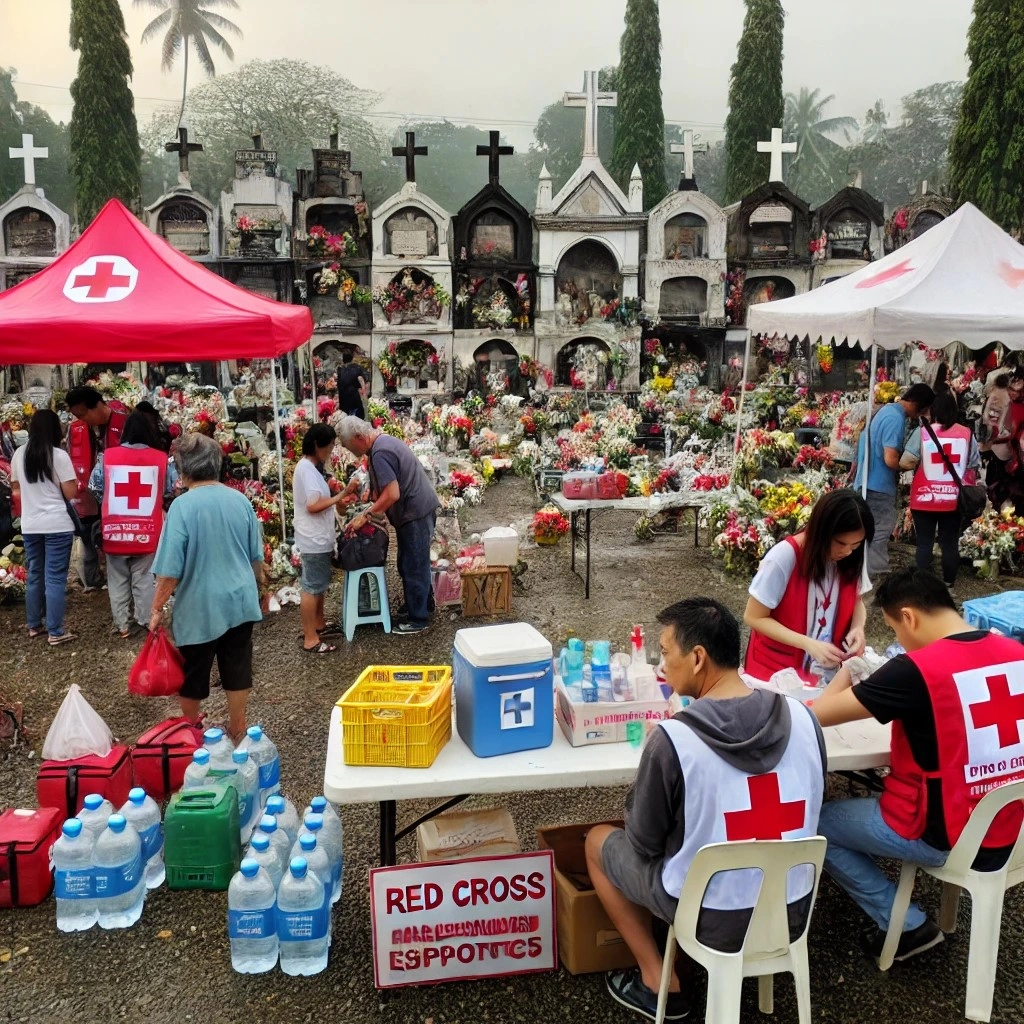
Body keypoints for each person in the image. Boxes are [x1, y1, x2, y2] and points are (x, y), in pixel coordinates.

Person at [584, 599, 825, 1021]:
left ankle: (658, 979)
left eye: (665, 652)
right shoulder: (804, 718)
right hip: (792, 907)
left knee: (596, 842)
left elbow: (643, 842)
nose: (661, 667)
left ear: (698, 658)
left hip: (709, 917)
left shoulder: (674, 740)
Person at [812, 568, 1024, 963]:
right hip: (1012, 827)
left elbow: (816, 713)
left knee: (820, 823)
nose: (898, 640)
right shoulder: (1017, 654)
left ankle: (907, 926)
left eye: (895, 629)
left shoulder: (915, 671)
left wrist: (848, 670)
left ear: (908, 616)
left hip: (946, 834)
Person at [149, 433, 266, 742]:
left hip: (199, 605)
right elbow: (256, 557)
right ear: (217, 465)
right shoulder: (239, 500)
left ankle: (191, 731)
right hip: (240, 599)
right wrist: (260, 589)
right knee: (237, 665)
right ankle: (238, 727)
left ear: (184, 470)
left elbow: (170, 569)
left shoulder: (182, 508)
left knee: (193, 674)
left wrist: (157, 607)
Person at [744, 489, 874, 684]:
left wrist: (857, 628)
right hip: (778, 675)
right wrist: (808, 644)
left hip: (827, 676)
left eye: (856, 544)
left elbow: (857, 601)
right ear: (821, 531)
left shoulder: (851, 558)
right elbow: (754, 616)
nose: (847, 551)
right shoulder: (783, 557)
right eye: (840, 542)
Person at [337, 416, 439, 635]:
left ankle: (418, 619)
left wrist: (366, 515)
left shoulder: (381, 452)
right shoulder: (380, 446)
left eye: (347, 445)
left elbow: (392, 493)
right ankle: (421, 604)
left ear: (358, 437)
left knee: (414, 564)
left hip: (415, 511)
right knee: (409, 561)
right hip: (415, 510)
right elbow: (383, 491)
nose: (348, 450)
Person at [87, 411, 177, 639]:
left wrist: (107, 503)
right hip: (148, 529)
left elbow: (95, 487)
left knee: (117, 579)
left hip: (114, 529)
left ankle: (123, 625)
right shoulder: (160, 459)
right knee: (145, 577)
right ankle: (147, 621)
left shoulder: (106, 457)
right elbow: (170, 489)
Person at [9, 410, 78, 645]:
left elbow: (16, 488)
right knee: (55, 578)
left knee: (35, 574)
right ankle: (56, 631)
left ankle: (34, 625)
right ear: (54, 429)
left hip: (31, 524)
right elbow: (70, 493)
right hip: (57, 523)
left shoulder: (18, 454)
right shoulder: (58, 456)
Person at [900, 391, 981, 588]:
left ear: (933, 411)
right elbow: (973, 465)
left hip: (924, 497)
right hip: (953, 500)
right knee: (950, 543)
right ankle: (949, 582)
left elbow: (906, 461)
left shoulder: (923, 432)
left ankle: (921, 583)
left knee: (925, 542)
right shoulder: (966, 433)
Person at [854, 383, 934, 577]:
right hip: (878, 485)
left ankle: (865, 571)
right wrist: (906, 465)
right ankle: (876, 574)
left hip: (869, 481)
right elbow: (890, 458)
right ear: (920, 405)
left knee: (869, 529)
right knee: (880, 530)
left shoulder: (886, 410)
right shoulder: (895, 418)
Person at [292, 422, 358, 654]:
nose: (330, 451)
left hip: (318, 535)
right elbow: (313, 505)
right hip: (312, 537)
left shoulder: (311, 468)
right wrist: (342, 494)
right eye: (329, 447)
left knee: (319, 584)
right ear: (317, 446)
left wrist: (338, 501)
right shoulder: (307, 470)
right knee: (311, 586)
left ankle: (318, 625)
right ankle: (310, 637)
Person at [65, 385, 128, 591]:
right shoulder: (80, 429)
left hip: (122, 496)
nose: (81, 420)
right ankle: (98, 577)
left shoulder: (125, 423)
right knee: (91, 535)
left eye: (83, 414)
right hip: (93, 497)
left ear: (97, 406)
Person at [336, 351, 369, 419]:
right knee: (356, 421)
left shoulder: (340, 371)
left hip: (343, 402)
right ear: (352, 359)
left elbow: (338, 385)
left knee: (346, 421)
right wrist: (365, 398)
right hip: (354, 401)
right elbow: (361, 381)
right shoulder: (357, 369)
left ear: (343, 360)